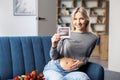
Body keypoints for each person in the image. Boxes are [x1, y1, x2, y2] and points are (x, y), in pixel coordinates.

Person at [43, 7, 98, 80]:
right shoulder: (65, 33)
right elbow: (54, 57)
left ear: (86, 20)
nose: (78, 22)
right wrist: (54, 44)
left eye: (81, 18)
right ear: (72, 20)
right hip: (55, 68)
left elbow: (86, 56)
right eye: (75, 19)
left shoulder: (93, 38)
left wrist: (83, 62)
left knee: (84, 78)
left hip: (73, 71)